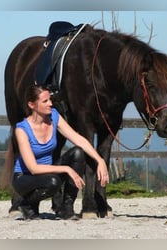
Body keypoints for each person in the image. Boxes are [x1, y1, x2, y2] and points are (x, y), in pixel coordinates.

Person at [11, 85, 109, 220]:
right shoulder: (22, 130)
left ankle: (66, 208)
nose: (50, 104)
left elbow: (78, 139)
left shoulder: (54, 117)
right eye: (45, 101)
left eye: (50, 100)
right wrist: (66, 169)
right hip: (24, 177)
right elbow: (33, 168)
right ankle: (27, 204)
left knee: (78, 153)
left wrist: (100, 160)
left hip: (48, 172)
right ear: (32, 105)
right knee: (53, 181)